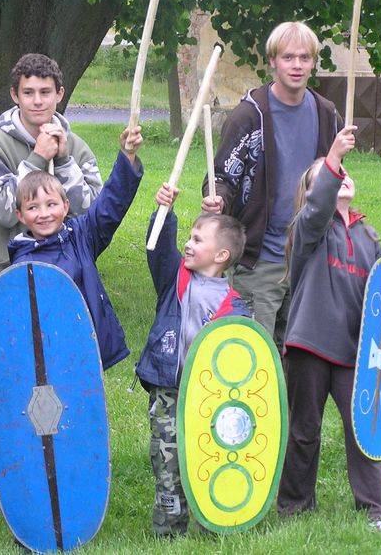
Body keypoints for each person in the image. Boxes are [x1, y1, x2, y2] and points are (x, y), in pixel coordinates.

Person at [276, 127, 381, 530]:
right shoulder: (307, 230)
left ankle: (376, 508)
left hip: (353, 351)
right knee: (304, 431)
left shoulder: (368, 236)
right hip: (309, 344)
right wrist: (334, 156)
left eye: (344, 171)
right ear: (314, 192)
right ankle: (294, 505)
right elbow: (316, 210)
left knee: (363, 430)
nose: (341, 176)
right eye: (329, 175)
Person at [202, 21, 340, 350]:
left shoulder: (326, 114)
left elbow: (331, 180)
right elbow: (222, 177)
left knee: (298, 356)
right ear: (273, 61)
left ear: (313, 62)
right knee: (256, 354)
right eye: (288, 57)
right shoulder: (249, 116)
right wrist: (217, 199)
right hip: (260, 259)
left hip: (308, 257)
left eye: (304, 58)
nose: (296, 65)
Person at [134, 182, 250, 536]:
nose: (189, 243)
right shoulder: (176, 279)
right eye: (189, 237)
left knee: (210, 458)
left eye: (198, 240)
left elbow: (243, 360)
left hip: (209, 399)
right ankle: (169, 531)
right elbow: (159, 249)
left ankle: (215, 523)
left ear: (221, 256)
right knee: (167, 464)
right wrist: (165, 212)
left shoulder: (235, 308)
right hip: (169, 391)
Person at [8, 126, 143, 371]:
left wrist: (128, 155)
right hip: (48, 362)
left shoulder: (81, 236)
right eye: (33, 207)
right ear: (20, 215)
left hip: (87, 354)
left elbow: (111, 204)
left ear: (66, 206)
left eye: (51, 204)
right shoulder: (22, 264)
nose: (44, 214)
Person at [0, 53, 103, 290]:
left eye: (45, 92)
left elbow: (92, 215)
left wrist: (63, 162)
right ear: (15, 95)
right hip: (5, 275)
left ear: (59, 94)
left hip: (65, 276)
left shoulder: (77, 148)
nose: (37, 101)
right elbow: (5, 211)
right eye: (28, 92)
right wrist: (37, 158)